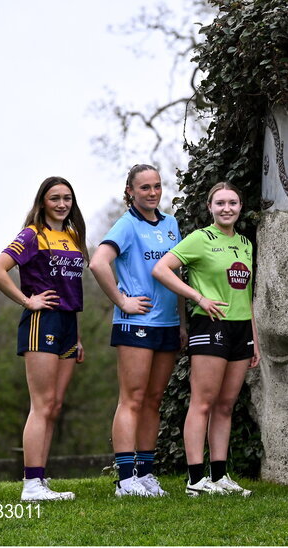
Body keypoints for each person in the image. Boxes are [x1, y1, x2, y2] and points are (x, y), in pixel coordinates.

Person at [152, 182, 260, 497]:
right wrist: (198, 297)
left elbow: (247, 296)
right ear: (210, 207)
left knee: (225, 405)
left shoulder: (245, 243)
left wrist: (254, 339)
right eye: (220, 203)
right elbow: (162, 269)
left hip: (241, 330)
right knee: (203, 402)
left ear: (240, 207)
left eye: (233, 203)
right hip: (211, 326)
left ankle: (219, 476)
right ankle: (195, 480)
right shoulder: (200, 239)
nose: (227, 208)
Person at [0, 177, 88, 502]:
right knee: (41, 405)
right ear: (42, 201)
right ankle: (30, 485)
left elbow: (73, 290)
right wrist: (27, 300)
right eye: (55, 198)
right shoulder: (32, 234)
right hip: (41, 321)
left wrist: (79, 337)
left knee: (55, 406)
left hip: (68, 326)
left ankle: (41, 482)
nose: (62, 204)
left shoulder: (73, 237)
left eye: (67, 198)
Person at [90, 165, 184, 497]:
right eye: (144, 187)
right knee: (131, 400)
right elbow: (98, 263)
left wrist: (182, 321)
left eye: (157, 186)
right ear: (130, 190)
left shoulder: (171, 224)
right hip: (137, 324)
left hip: (168, 324)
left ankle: (145, 474)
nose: (153, 192)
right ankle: (125, 479)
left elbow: (179, 275)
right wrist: (122, 301)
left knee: (153, 401)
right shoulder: (127, 225)